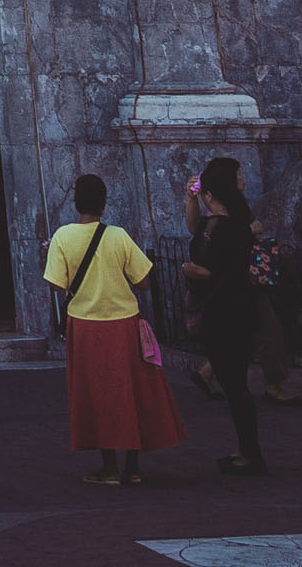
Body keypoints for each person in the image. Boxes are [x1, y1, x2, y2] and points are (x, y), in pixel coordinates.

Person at [46, 172, 182, 486]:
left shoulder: (63, 237)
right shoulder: (118, 236)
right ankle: (132, 467)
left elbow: (56, 284)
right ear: (104, 204)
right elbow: (144, 282)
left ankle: (109, 468)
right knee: (130, 390)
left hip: (85, 325)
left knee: (96, 394)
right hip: (123, 323)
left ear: (76, 202)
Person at [180, 155, 270, 475]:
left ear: (210, 194)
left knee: (235, 387)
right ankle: (247, 449)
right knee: (235, 386)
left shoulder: (226, 228)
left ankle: (251, 453)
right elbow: (198, 232)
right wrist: (192, 199)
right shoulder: (231, 225)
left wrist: (201, 273)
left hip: (224, 311)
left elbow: (223, 269)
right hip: (233, 310)